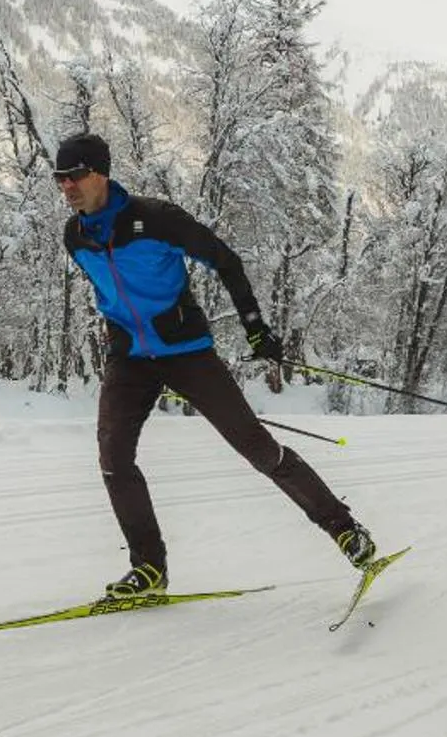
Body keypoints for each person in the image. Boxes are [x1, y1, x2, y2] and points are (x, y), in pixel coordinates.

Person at [53, 132, 377, 599]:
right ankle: (149, 570)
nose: (67, 186)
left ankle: (344, 529)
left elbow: (226, 261)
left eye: (76, 175)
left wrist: (255, 327)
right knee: (113, 459)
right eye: (60, 178)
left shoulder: (156, 219)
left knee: (256, 447)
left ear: (101, 172)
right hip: (129, 359)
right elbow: (110, 292)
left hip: (186, 352)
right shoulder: (75, 237)